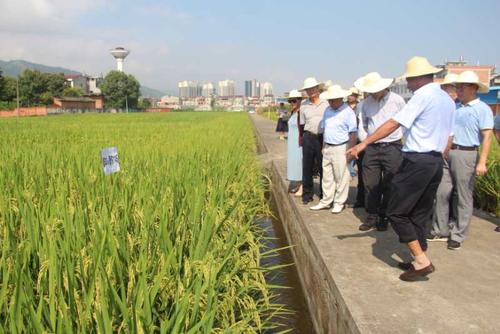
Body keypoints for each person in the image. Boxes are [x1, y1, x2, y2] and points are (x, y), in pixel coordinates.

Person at [347, 56, 455, 281]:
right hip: (434, 160)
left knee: (396, 211)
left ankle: (422, 262)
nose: (407, 84)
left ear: (418, 79)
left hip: (417, 160)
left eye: (410, 80)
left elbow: (394, 123)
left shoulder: (421, 96)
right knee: (419, 212)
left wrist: (364, 143)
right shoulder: (446, 98)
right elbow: (449, 136)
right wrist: (438, 159)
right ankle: (418, 257)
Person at [432, 71, 494, 249]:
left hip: (466, 154)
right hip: (447, 152)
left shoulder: (482, 109)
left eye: (462, 86)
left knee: (463, 196)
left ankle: (458, 235)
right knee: (442, 192)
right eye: (457, 86)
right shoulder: (455, 107)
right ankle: (440, 229)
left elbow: (487, 136)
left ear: (473, 88)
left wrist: (482, 162)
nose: (458, 90)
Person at [354, 72, 405, 232]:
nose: (373, 92)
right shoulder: (365, 103)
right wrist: (365, 139)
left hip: (392, 146)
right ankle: (372, 215)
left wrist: (400, 138)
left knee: (391, 183)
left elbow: (405, 121)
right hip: (372, 148)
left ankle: (384, 215)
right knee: (370, 183)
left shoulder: (397, 100)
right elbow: (362, 123)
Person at [310, 85, 357, 213]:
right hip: (328, 147)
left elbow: (353, 133)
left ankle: (339, 202)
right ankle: (326, 201)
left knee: (341, 176)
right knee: (327, 176)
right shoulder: (328, 110)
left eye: (333, 100)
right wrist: (324, 146)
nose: (331, 102)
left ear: (341, 98)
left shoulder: (348, 112)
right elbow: (326, 129)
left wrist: (351, 151)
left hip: (341, 147)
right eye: (329, 100)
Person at [428, 73, 460, 242]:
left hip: (461, 152)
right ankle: (440, 227)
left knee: (459, 195)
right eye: (445, 90)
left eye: (450, 90)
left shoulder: (467, 108)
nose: (448, 94)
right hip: (442, 153)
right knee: (442, 192)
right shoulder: (442, 108)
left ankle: (456, 229)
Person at [299, 77, 329, 204]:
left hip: (322, 137)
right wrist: (302, 138)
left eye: (313, 88)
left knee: (323, 166)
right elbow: (302, 123)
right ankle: (307, 194)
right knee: (307, 166)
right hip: (308, 136)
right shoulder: (303, 104)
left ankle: (324, 194)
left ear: (318, 89)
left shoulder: (326, 103)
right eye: (308, 89)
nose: (311, 91)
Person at [286, 90, 304, 197]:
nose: (292, 103)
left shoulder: (301, 112)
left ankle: (302, 187)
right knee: (294, 164)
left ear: (300, 101)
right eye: (290, 101)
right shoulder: (293, 112)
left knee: (300, 164)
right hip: (292, 144)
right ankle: (298, 184)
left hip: (299, 143)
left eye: (294, 101)